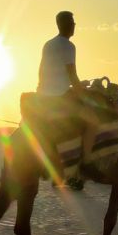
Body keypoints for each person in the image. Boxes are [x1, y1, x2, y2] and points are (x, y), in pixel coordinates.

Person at [36, 11, 96, 184]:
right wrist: (82, 91)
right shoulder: (69, 46)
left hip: (44, 95)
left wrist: (76, 85)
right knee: (93, 122)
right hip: (60, 98)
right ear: (64, 24)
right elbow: (72, 75)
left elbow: (43, 72)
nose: (74, 25)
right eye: (72, 22)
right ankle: (83, 166)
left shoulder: (48, 44)